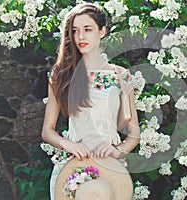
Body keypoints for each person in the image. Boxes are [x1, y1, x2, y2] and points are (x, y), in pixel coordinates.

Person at [41, 3, 140, 199]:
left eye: (88, 29)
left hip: (110, 168)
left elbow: (134, 132)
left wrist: (118, 150)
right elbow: (47, 131)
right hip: (73, 167)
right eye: (75, 31)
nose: (80, 37)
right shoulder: (61, 75)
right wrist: (68, 144)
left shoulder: (121, 76)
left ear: (102, 31)